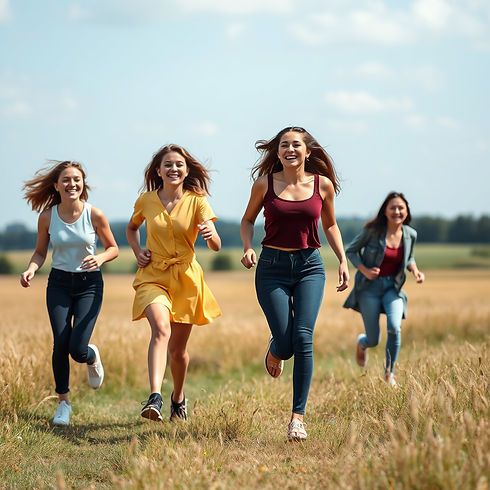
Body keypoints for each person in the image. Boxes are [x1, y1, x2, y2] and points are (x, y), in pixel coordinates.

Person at [240, 126, 349, 441]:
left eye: (296, 144)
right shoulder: (264, 184)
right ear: (278, 152)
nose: (290, 149)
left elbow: (329, 224)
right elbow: (247, 220)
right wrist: (248, 246)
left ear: (307, 151)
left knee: (303, 338)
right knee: (286, 344)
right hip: (271, 267)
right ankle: (275, 349)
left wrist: (342, 259)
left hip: (309, 267)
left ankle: (297, 419)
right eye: (284, 145)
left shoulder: (322, 186)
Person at [126, 144, 221, 423]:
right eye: (167, 164)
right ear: (158, 170)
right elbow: (132, 228)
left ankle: (177, 397)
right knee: (160, 328)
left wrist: (211, 233)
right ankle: (154, 395)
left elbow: (215, 246)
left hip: (186, 280)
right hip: (153, 275)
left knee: (178, 352)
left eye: (179, 164)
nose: (173, 169)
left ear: (186, 170)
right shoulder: (146, 201)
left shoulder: (198, 201)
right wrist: (137, 250)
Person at [20, 160, 119, 426]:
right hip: (59, 284)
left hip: (90, 285)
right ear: (56, 185)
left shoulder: (94, 214)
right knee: (60, 343)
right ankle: (64, 403)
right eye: (66, 179)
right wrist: (31, 269)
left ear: (83, 183)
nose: (71, 184)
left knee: (77, 349)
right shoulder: (47, 216)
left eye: (76, 179)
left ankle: (91, 355)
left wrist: (99, 259)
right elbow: (41, 252)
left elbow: (113, 248)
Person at [343, 191, 425, 387]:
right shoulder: (372, 232)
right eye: (393, 208)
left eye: (401, 208)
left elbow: (409, 257)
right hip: (369, 288)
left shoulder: (410, 235)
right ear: (385, 211)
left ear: (406, 211)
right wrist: (364, 270)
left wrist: (415, 270)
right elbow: (351, 251)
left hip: (393, 288)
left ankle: (389, 375)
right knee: (374, 340)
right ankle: (362, 343)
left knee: (395, 328)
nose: (397, 211)